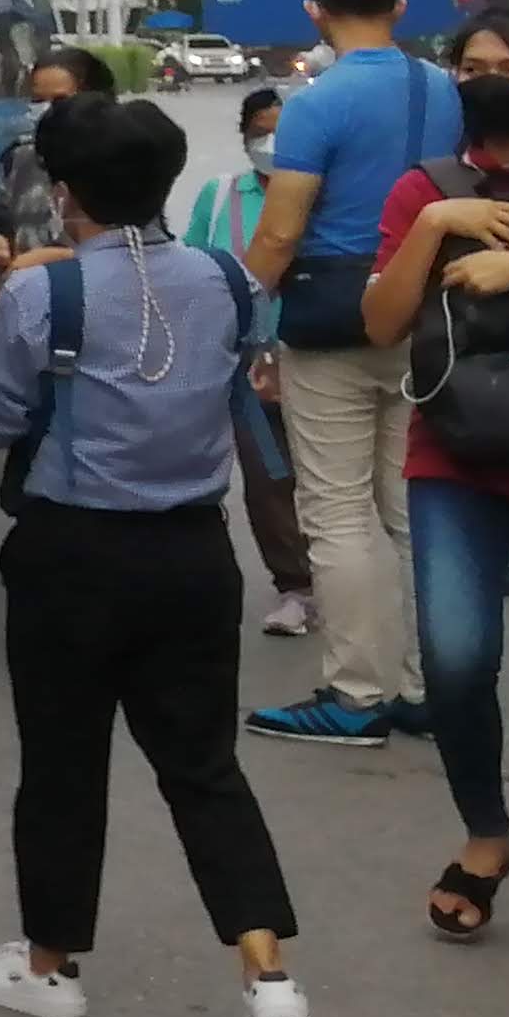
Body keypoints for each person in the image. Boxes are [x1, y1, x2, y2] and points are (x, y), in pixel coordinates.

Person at [0, 95, 322, 1017]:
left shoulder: (43, 296)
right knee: (202, 766)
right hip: (192, 558)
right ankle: (266, 976)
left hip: (69, 555)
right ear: (162, 183)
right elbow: (228, 377)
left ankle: (47, 966)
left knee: (62, 765)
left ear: (63, 192)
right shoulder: (226, 281)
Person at [358, 60, 509, 957]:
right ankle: (487, 838)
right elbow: (379, 322)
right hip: (453, 456)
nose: (491, 79)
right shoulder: (425, 188)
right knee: (452, 658)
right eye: (474, 65)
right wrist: (439, 226)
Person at [243, 0, 454, 746]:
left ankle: (354, 695)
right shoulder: (442, 88)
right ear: (402, 9)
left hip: (331, 324)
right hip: (424, 314)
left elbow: (283, 228)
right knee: (413, 507)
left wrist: (239, 310)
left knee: (335, 511)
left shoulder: (315, 103)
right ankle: (426, 686)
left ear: (313, 10)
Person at [186, 86, 318, 636]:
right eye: (261, 130)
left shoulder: (328, 194)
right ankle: (296, 587)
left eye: (284, 131)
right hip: (248, 364)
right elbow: (192, 272)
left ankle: (342, 579)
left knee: (327, 481)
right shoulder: (220, 198)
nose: (272, 142)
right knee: (267, 480)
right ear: (244, 137)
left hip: (319, 357)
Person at [0, 43, 116, 330]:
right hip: (23, 328)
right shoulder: (20, 159)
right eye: (37, 101)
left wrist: (59, 259)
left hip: (100, 328)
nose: (46, 111)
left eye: (59, 101)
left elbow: (143, 253)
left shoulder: (124, 163)